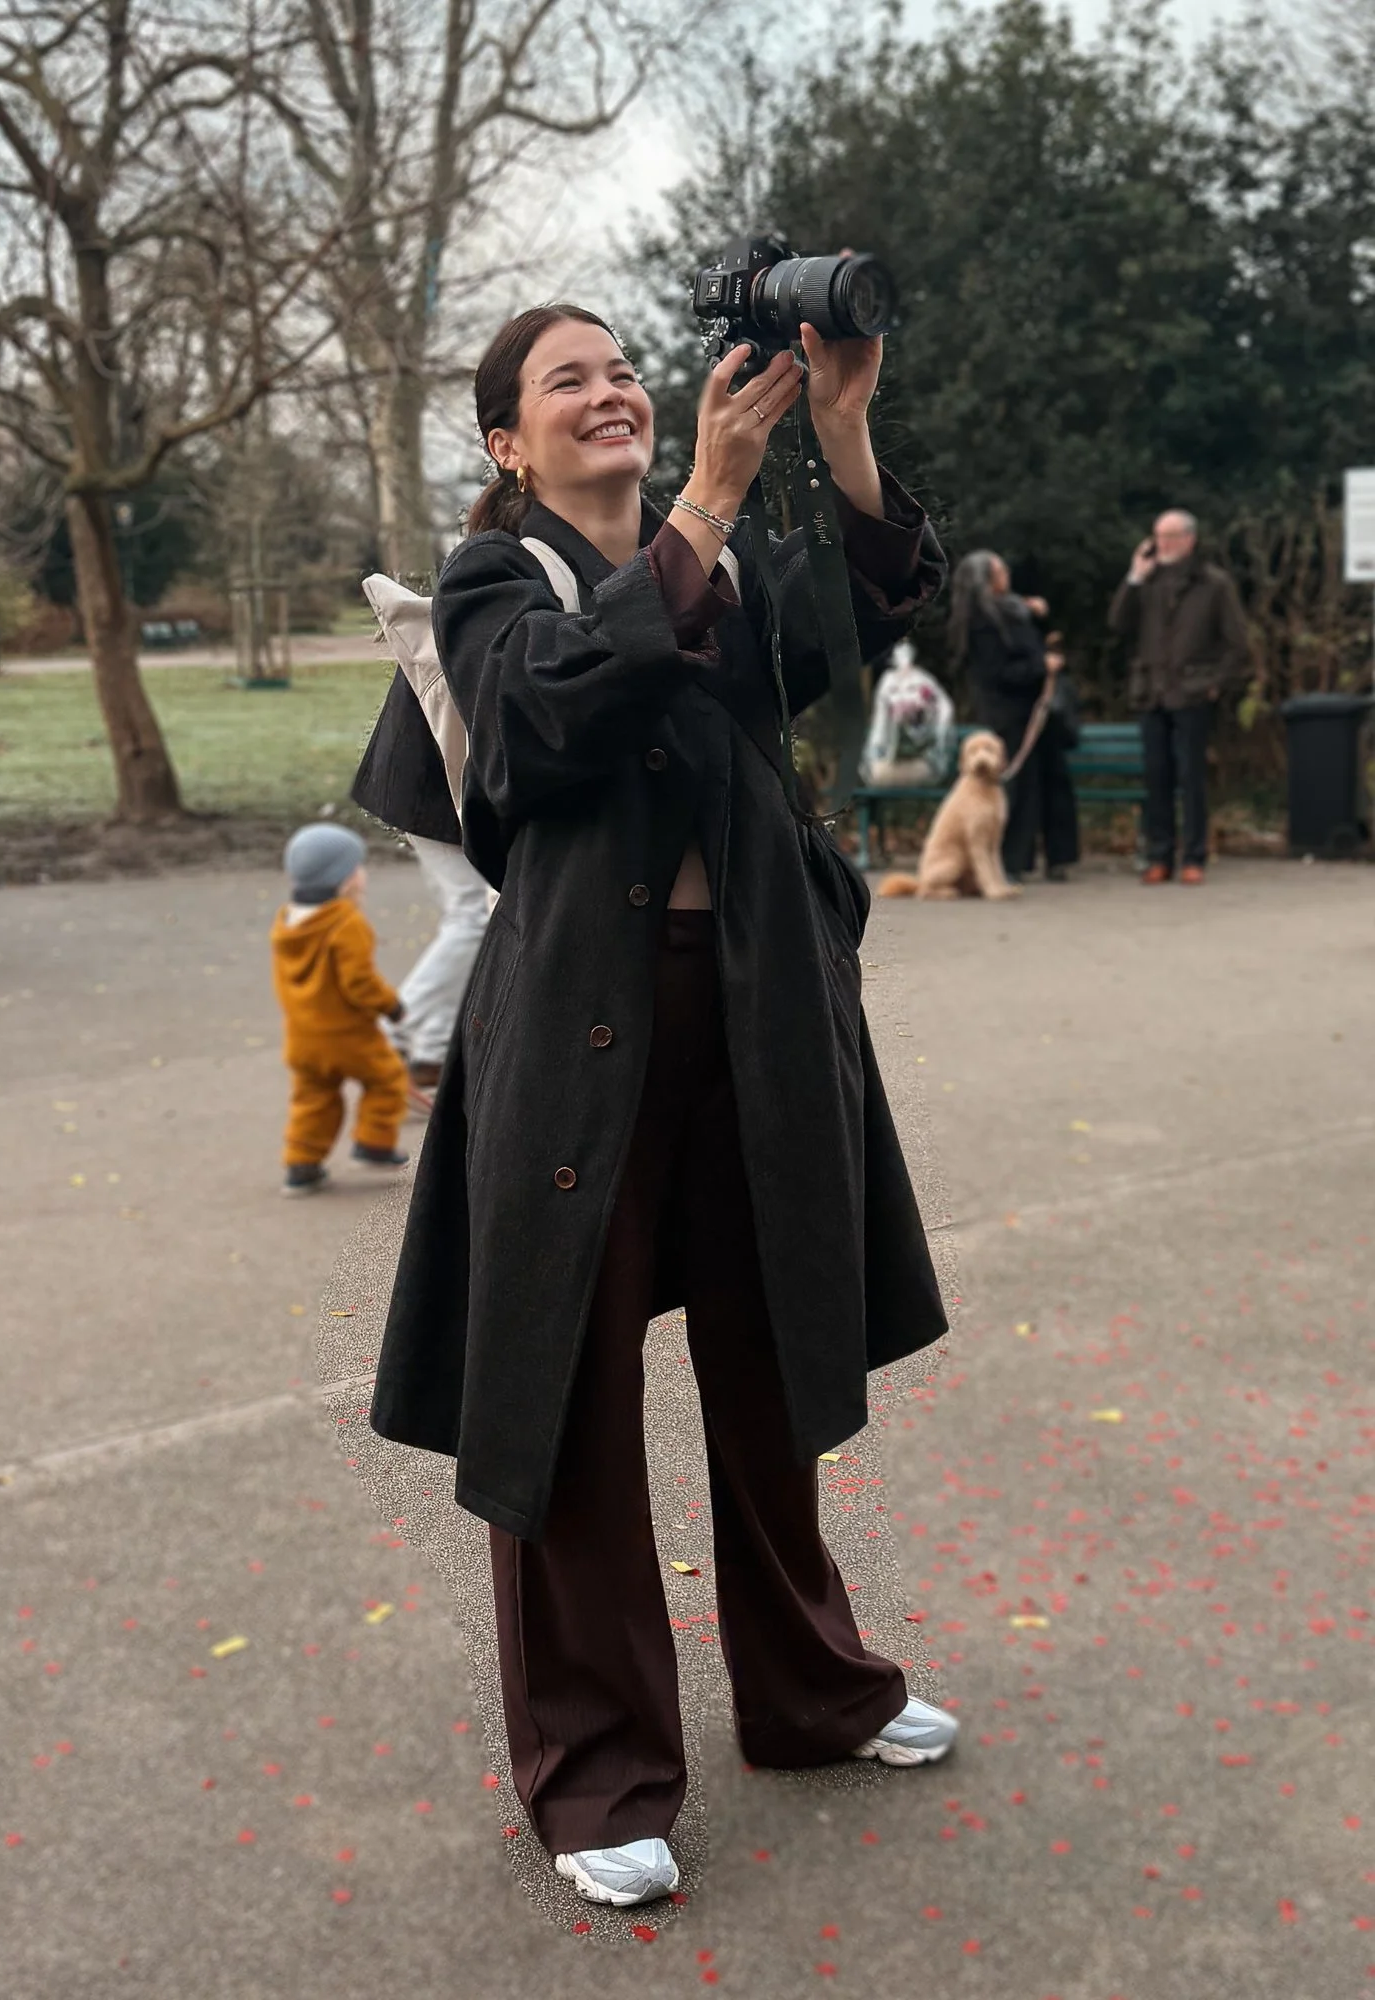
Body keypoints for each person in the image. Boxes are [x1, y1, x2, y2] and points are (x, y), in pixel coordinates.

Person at [368, 296, 954, 1909]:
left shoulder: (739, 570)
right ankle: (598, 1767)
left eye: (623, 367)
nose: (612, 390)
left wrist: (837, 432)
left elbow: (853, 646)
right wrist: (699, 503)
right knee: (569, 1396)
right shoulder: (499, 581)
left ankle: (816, 1692)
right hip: (575, 1038)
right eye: (571, 380)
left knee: (770, 1365)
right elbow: (544, 716)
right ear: (509, 440)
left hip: (752, 1014)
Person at [351, 677, 492, 1092]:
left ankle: (429, 1052)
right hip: (434, 769)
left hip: (436, 763)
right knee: (476, 915)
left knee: (472, 914)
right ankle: (390, 1035)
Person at [1108, 510, 1249, 884]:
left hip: (1191, 695)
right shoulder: (1147, 580)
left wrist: (1211, 683)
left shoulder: (1214, 584)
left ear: (1189, 539)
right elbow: (1117, 624)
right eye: (1157, 537)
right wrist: (1134, 577)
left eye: (1170, 537)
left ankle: (1195, 856)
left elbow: (1238, 647)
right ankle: (1159, 856)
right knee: (1157, 779)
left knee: (1192, 778)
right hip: (1150, 694)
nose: (1162, 545)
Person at [270, 824, 409, 1196]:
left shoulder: (286, 924)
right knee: (388, 1078)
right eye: (358, 867)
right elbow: (359, 983)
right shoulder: (346, 924)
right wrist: (391, 1006)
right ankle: (374, 1142)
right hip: (347, 1036)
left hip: (302, 1038)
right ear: (345, 879)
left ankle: (301, 1166)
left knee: (313, 1100)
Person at [948, 550, 1078, 882]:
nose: (1007, 576)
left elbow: (1039, 645)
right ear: (987, 581)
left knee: (1054, 782)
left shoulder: (1016, 611)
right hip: (1010, 712)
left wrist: (1040, 621)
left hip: (1040, 710)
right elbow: (997, 673)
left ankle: (1059, 856)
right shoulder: (980, 621)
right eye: (1000, 572)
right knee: (1020, 787)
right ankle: (1014, 859)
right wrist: (1041, 666)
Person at [860, 638, 955, 786]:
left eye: (911, 689)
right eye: (895, 691)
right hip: (897, 767)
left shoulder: (923, 681)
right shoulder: (888, 681)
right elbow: (879, 731)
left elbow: (945, 711)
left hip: (922, 767)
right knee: (880, 772)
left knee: (881, 772)